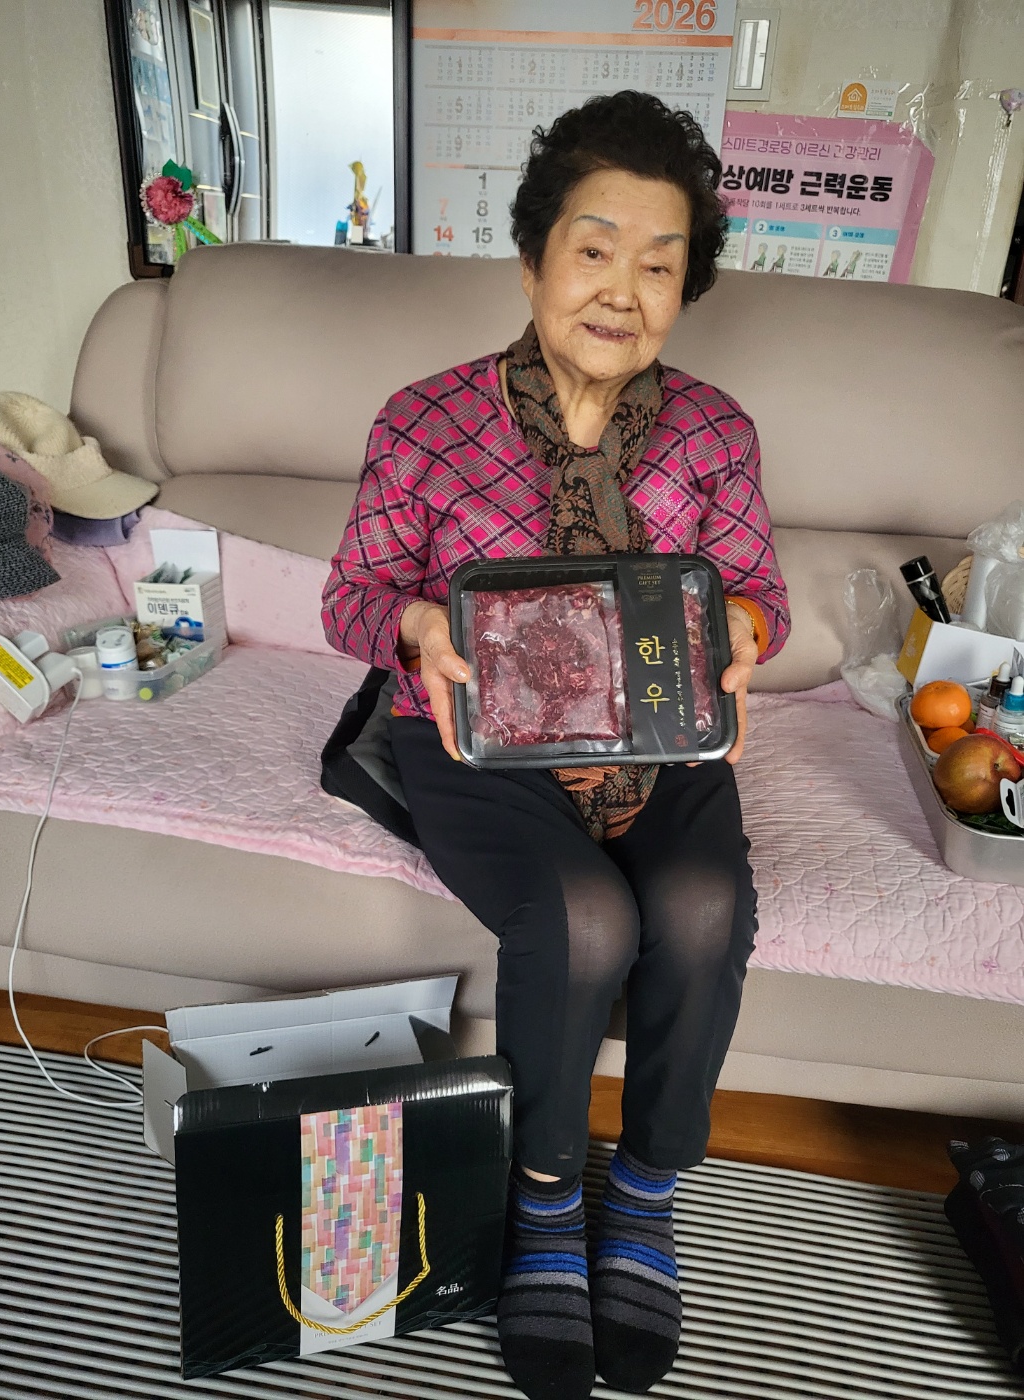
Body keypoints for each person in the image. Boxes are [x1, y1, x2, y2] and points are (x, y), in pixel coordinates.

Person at [322, 90, 790, 1400]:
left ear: (685, 288)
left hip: (662, 737)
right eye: (594, 249)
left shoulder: (714, 432)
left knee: (698, 908)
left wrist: (743, 630)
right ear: (531, 259)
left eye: (660, 265)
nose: (623, 290)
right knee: (585, 921)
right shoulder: (424, 421)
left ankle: (642, 1191)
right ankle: (542, 1203)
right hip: (476, 742)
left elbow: (759, 593)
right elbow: (348, 601)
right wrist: (417, 623)